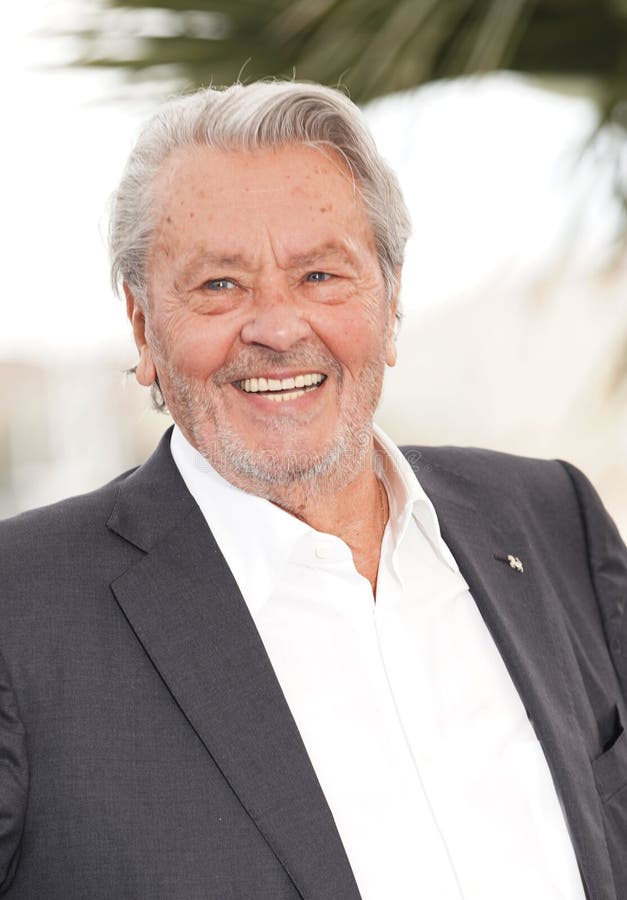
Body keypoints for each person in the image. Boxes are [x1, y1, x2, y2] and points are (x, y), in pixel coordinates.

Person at [0, 80, 625, 900]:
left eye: (322, 274)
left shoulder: (550, 519)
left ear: (391, 300)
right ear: (145, 326)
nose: (278, 326)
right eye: (219, 285)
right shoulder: (21, 609)